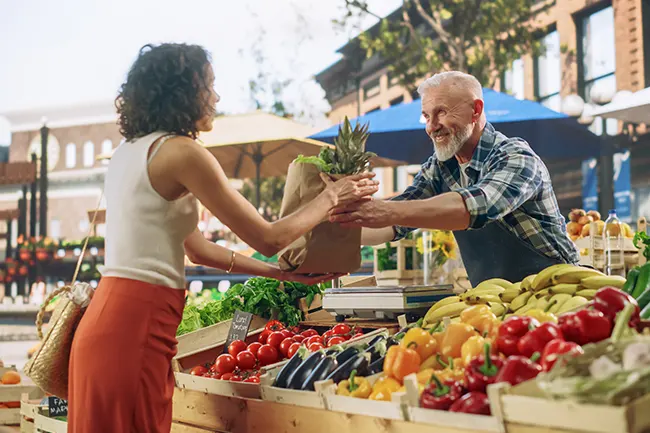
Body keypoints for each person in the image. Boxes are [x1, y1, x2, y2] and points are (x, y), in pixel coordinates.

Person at [67, 43, 378, 433]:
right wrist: (334, 195)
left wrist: (276, 274)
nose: (215, 97)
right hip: (137, 328)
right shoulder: (183, 153)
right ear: (182, 91)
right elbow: (269, 237)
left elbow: (195, 249)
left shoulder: (128, 152)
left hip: (107, 325)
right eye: (208, 86)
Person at [330, 71, 580, 287]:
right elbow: (395, 222)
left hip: (557, 290)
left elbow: (475, 207)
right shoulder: (440, 168)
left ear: (476, 110)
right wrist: (330, 229)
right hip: (497, 301)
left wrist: (385, 209)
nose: (432, 126)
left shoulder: (516, 157)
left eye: (441, 113)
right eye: (427, 116)